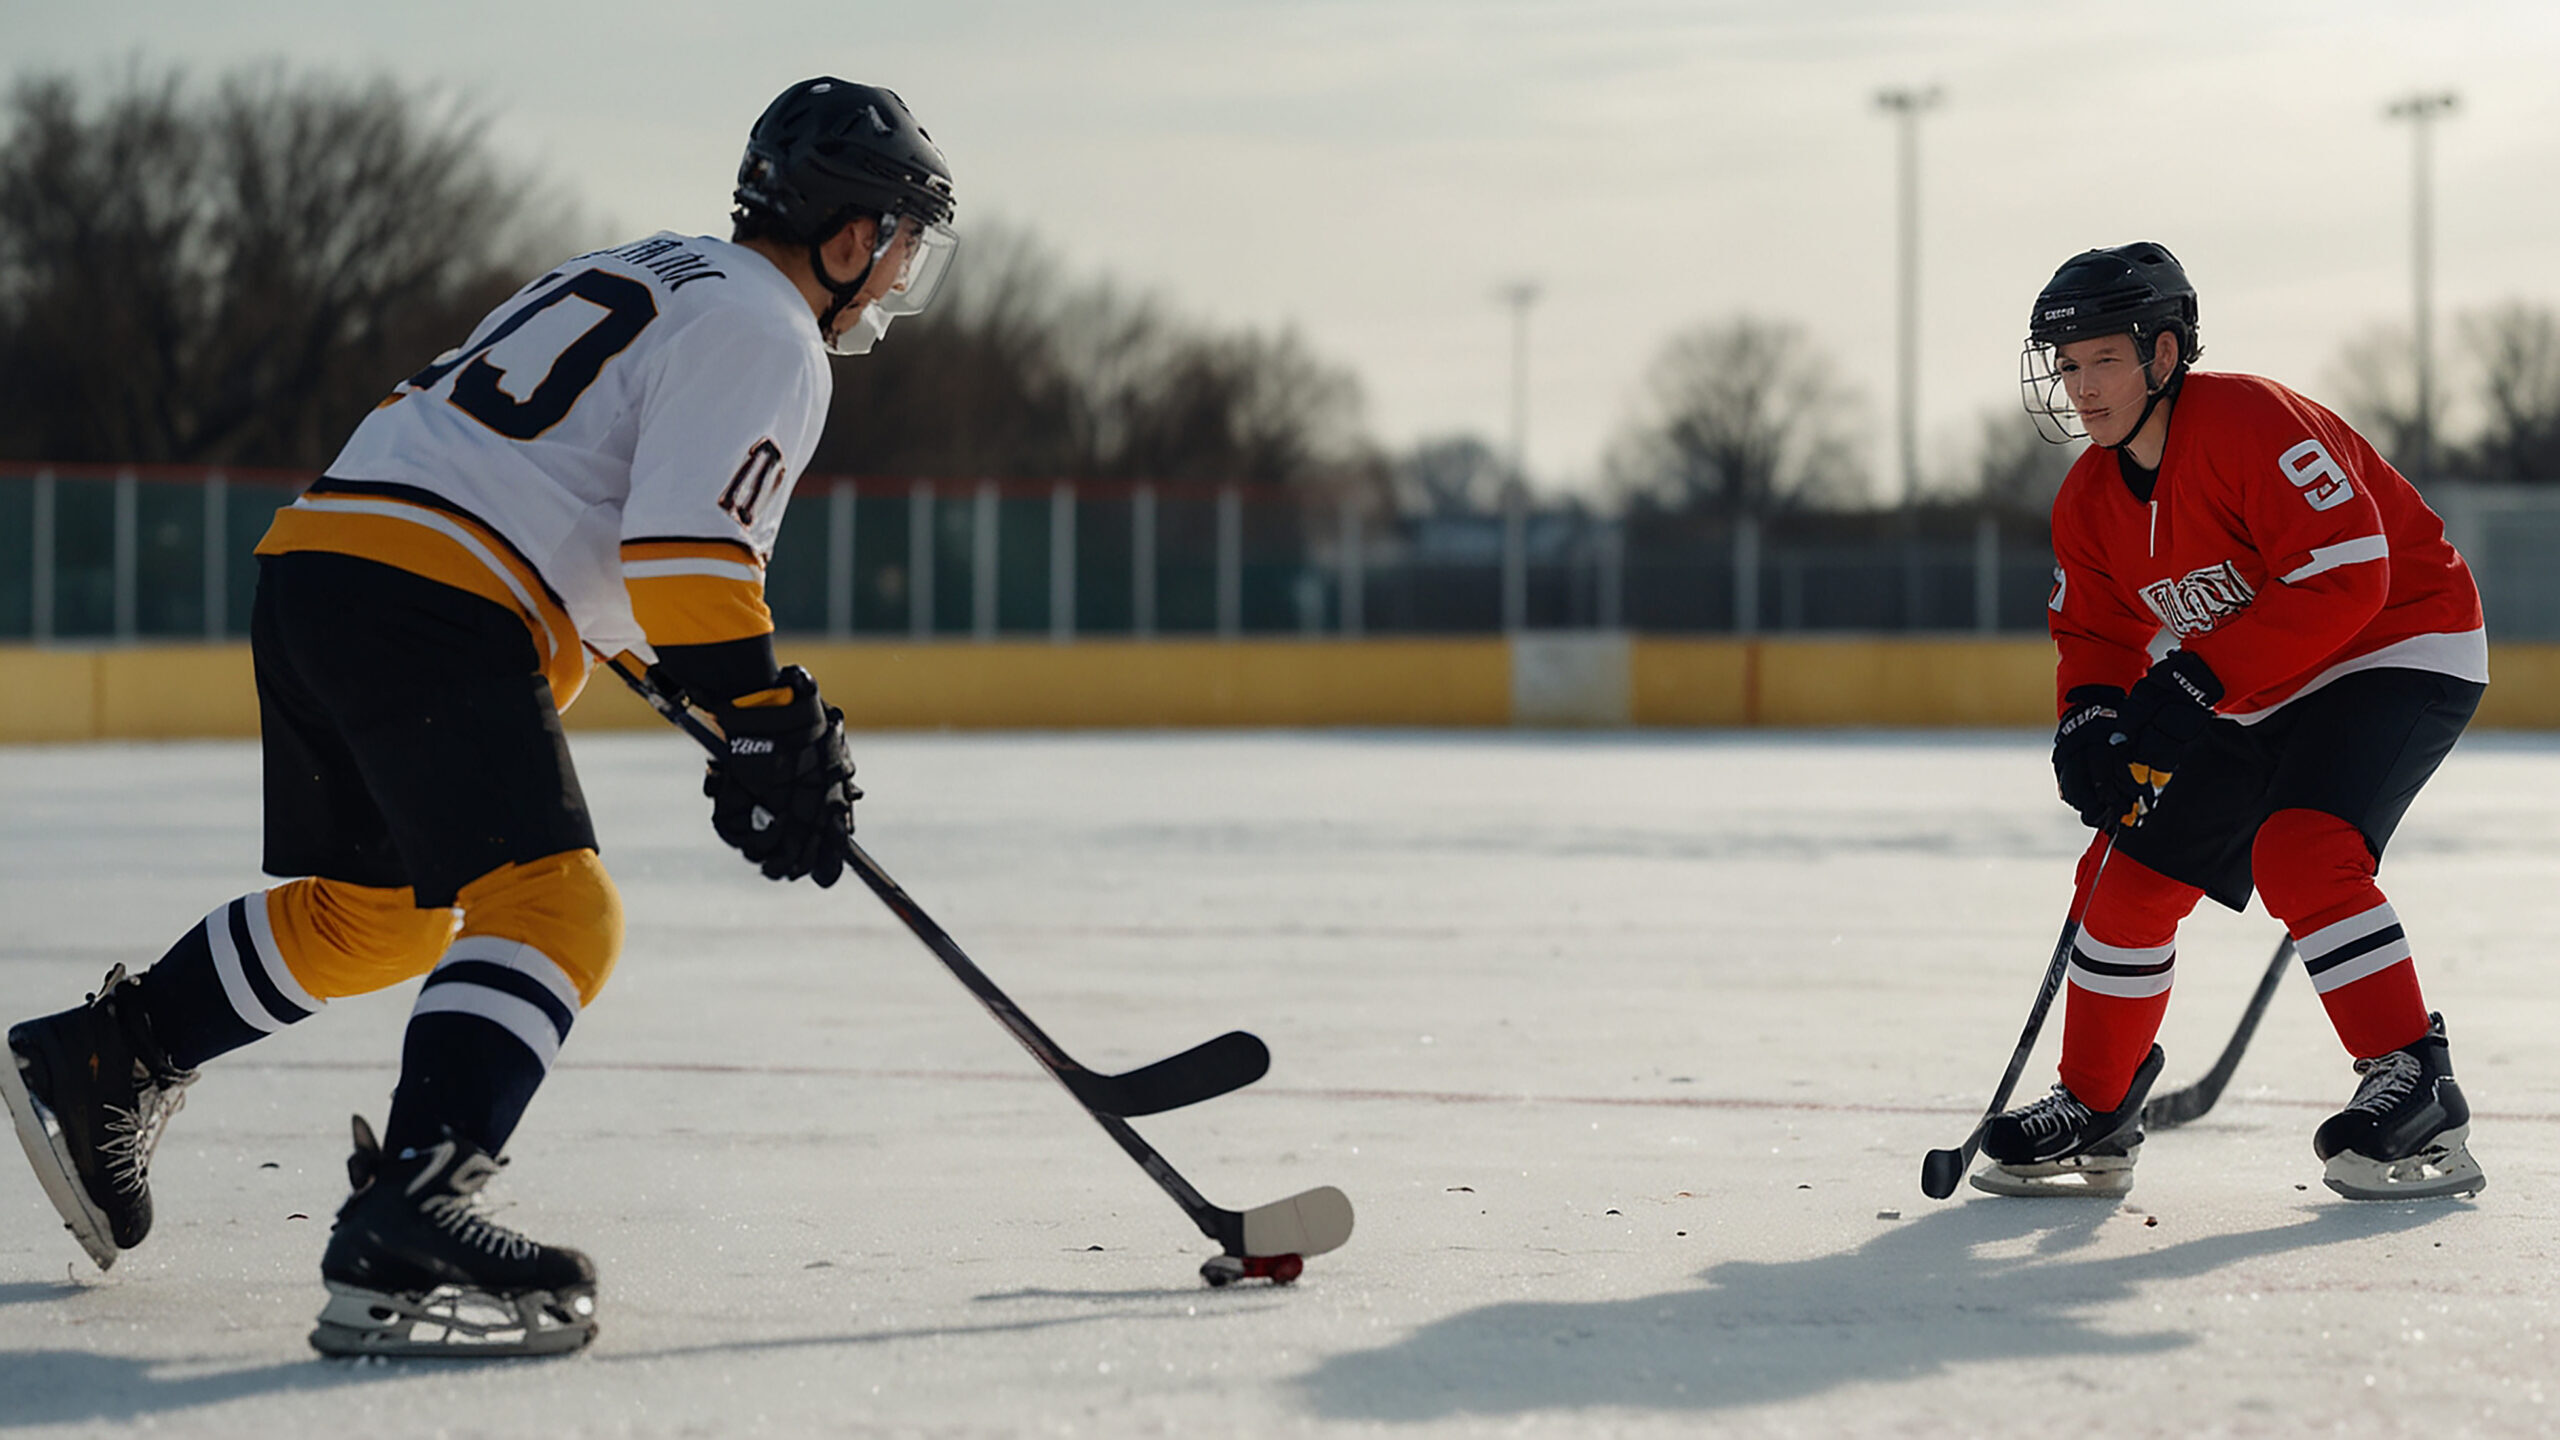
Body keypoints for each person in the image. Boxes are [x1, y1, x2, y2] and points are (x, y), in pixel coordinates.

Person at [0, 77, 956, 1356]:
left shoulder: (652, 270)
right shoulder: (772, 334)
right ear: (848, 236)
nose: (898, 279)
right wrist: (769, 714)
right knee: (559, 909)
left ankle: (113, 1055)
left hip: (324, 570)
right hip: (432, 598)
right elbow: (687, 556)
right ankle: (412, 1215)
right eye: (900, 245)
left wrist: (745, 724)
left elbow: (599, 546)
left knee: (382, 914)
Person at [1975, 241, 2489, 1202]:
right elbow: (2093, 628)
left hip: (2395, 644)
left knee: (2302, 850)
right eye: (2068, 365)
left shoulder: (2251, 421)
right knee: (2123, 878)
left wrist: (2196, 679)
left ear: (2164, 355)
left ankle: (2415, 1081)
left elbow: (2349, 575)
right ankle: (2097, 1103)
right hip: (2251, 682)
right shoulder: (2089, 498)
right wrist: (2088, 718)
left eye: (2103, 361)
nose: (2080, 388)